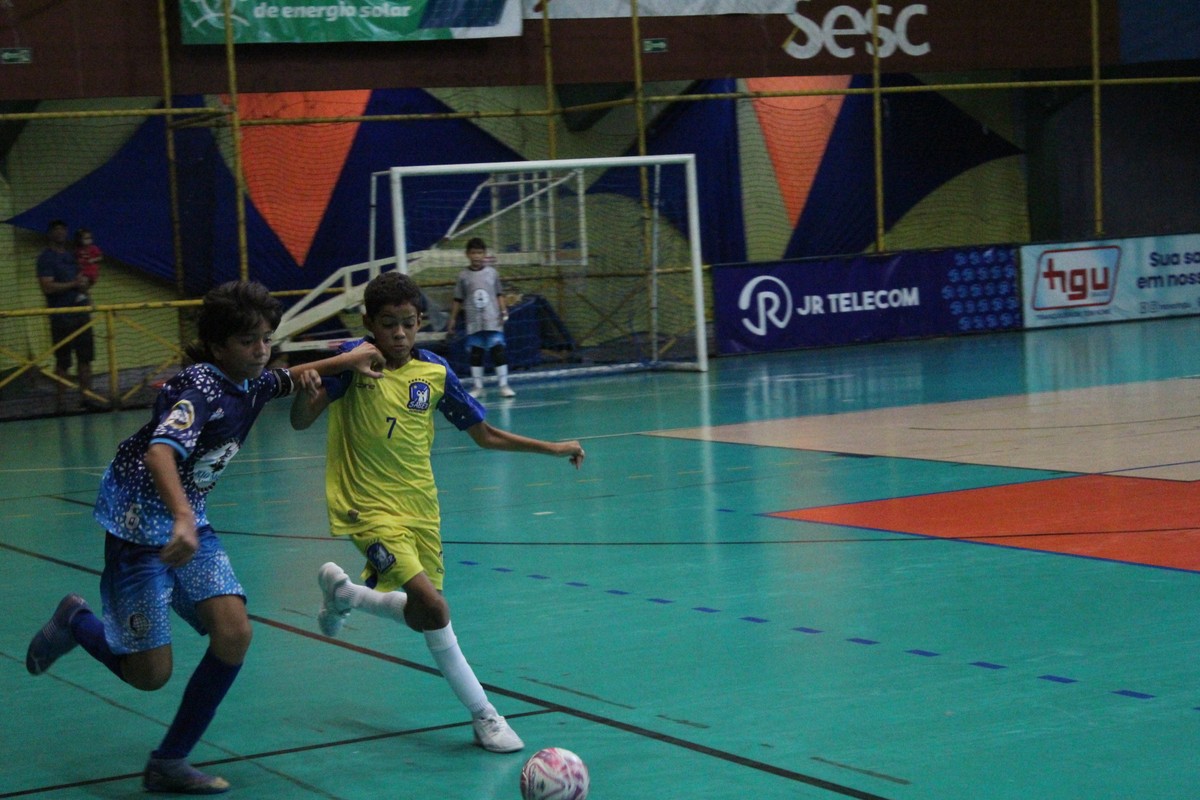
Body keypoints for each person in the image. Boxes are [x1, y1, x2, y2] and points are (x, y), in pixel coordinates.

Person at [25, 280, 383, 795]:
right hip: (141, 525)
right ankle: (75, 620)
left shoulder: (249, 381)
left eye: (265, 337)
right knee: (148, 674)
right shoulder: (200, 389)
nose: (261, 349)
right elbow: (159, 453)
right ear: (218, 347)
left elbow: (286, 377)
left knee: (234, 631)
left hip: (186, 518)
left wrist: (348, 361)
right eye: (247, 341)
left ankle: (169, 761)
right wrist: (183, 519)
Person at [290, 270, 585, 754]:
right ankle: (485, 715)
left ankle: (347, 595)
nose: (400, 334)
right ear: (369, 323)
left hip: (421, 510)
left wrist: (550, 448)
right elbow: (302, 421)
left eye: (408, 323)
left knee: (423, 615)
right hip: (366, 509)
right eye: (388, 324)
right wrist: (308, 394)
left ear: (421, 321)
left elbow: (484, 433)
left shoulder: (435, 372)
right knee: (436, 607)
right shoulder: (354, 362)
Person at [36, 219, 95, 412]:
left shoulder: (73, 257)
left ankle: (86, 398)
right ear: (50, 234)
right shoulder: (46, 258)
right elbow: (47, 286)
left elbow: (83, 282)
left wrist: (85, 285)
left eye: (63, 229)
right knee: (63, 361)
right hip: (61, 316)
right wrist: (72, 284)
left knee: (85, 358)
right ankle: (61, 403)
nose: (61, 233)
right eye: (56, 230)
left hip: (81, 314)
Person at [446, 236, 516, 398]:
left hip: (493, 320)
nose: (476, 256)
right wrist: (453, 319)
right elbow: (458, 299)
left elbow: (499, 294)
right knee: (475, 353)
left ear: (484, 254)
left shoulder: (492, 273)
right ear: (467, 255)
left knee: (498, 351)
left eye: (479, 252)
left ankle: (504, 385)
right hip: (473, 321)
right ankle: (478, 387)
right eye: (473, 253)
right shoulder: (463, 276)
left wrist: (503, 310)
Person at [74, 228, 104, 301]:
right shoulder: (78, 250)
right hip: (82, 270)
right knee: (78, 282)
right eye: (86, 238)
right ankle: (83, 295)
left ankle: (86, 297)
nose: (89, 240)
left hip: (90, 270)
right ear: (80, 240)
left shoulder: (93, 248)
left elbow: (100, 257)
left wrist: (93, 259)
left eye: (90, 238)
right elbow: (76, 259)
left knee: (83, 282)